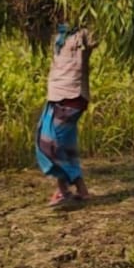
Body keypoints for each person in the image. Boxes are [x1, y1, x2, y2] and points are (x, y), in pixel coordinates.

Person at [36, 22, 96, 208]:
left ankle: (63, 190)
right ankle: (81, 190)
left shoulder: (84, 33)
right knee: (62, 144)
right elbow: (36, 30)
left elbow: (94, 41)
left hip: (72, 95)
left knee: (51, 144)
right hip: (55, 95)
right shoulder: (58, 32)